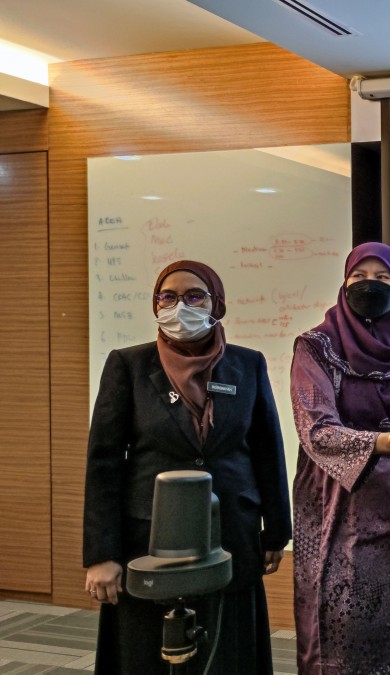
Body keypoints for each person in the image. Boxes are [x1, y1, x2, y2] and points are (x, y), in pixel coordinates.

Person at [84, 260, 291, 674]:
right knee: (148, 656)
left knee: (226, 653)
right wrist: (101, 554)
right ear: (156, 304)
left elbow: (267, 451)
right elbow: (103, 464)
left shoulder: (248, 364)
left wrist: (276, 531)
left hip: (231, 534)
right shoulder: (128, 365)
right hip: (148, 543)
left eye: (195, 296)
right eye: (169, 297)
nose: (181, 306)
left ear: (217, 304)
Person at [290, 242, 390, 674]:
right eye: (359, 277)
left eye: (382, 278)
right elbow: (317, 431)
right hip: (341, 509)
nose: (369, 285)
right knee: (344, 634)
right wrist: (387, 442)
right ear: (344, 283)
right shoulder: (317, 346)